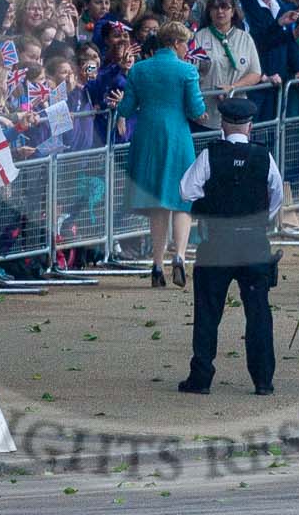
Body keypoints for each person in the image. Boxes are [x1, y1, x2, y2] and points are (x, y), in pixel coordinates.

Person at [177, 95, 284, 395]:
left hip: (217, 242)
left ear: (223, 124)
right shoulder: (264, 156)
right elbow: (277, 196)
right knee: (259, 312)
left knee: (208, 312)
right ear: (250, 126)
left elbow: (186, 190)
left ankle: (201, 378)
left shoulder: (210, 155)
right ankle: (263, 380)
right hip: (253, 241)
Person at [115, 22, 206, 288]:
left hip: (147, 136)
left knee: (158, 201)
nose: (187, 49)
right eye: (185, 43)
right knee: (182, 198)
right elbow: (195, 108)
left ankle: (157, 264)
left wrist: (121, 114)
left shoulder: (140, 69)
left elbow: (128, 104)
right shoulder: (187, 70)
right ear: (176, 43)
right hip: (177, 136)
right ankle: (179, 256)